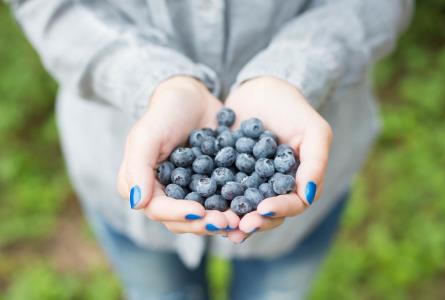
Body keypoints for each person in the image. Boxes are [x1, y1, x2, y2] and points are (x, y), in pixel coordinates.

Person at [10, 0, 413, 299]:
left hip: (302, 194)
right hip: (117, 166)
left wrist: (293, 72)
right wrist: (154, 82)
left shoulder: (257, 159)